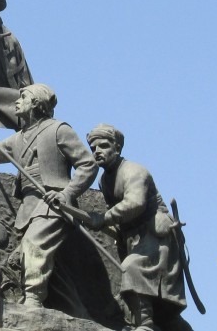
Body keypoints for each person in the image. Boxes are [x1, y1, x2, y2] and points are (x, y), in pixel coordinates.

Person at [0, 85, 97, 308]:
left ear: (36, 103)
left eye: (23, 97)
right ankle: (72, 308)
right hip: (29, 206)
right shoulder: (17, 139)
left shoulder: (58, 130)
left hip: (54, 204)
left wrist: (67, 194)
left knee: (33, 245)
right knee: (29, 260)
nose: (17, 102)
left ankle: (33, 301)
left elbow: (88, 164)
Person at [84, 124, 192, 331]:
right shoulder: (105, 180)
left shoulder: (134, 171)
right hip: (133, 237)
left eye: (104, 146)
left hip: (157, 235)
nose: (97, 151)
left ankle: (145, 324)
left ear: (117, 147)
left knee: (132, 268)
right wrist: (91, 221)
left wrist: (103, 218)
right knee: (160, 308)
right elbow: (116, 216)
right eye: (93, 148)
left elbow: (135, 204)